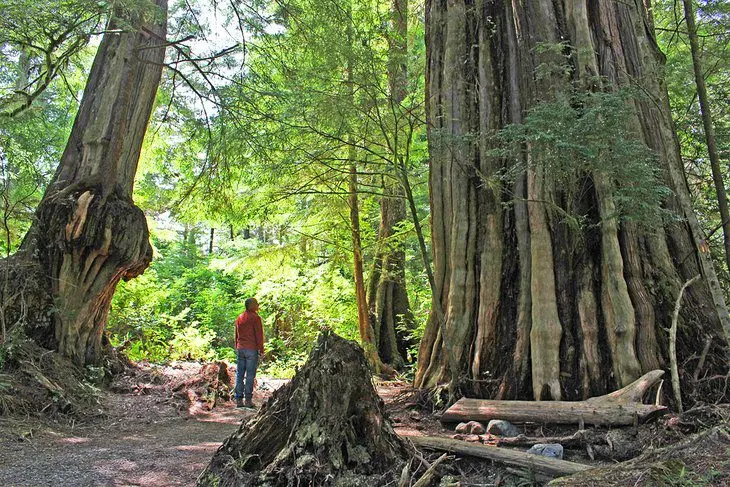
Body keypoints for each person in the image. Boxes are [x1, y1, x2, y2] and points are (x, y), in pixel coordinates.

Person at [234, 297, 264, 408]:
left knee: (240, 374)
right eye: (256, 304)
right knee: (250, 375)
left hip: (241, 349)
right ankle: (248, 400)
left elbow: (236, 334)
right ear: (251, 305)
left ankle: (238, 400)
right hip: (251, 349)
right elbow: (259, 335)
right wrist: (261, 349)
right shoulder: (256, 318)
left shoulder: (240, 317)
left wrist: (237, 345)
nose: (258, 305)